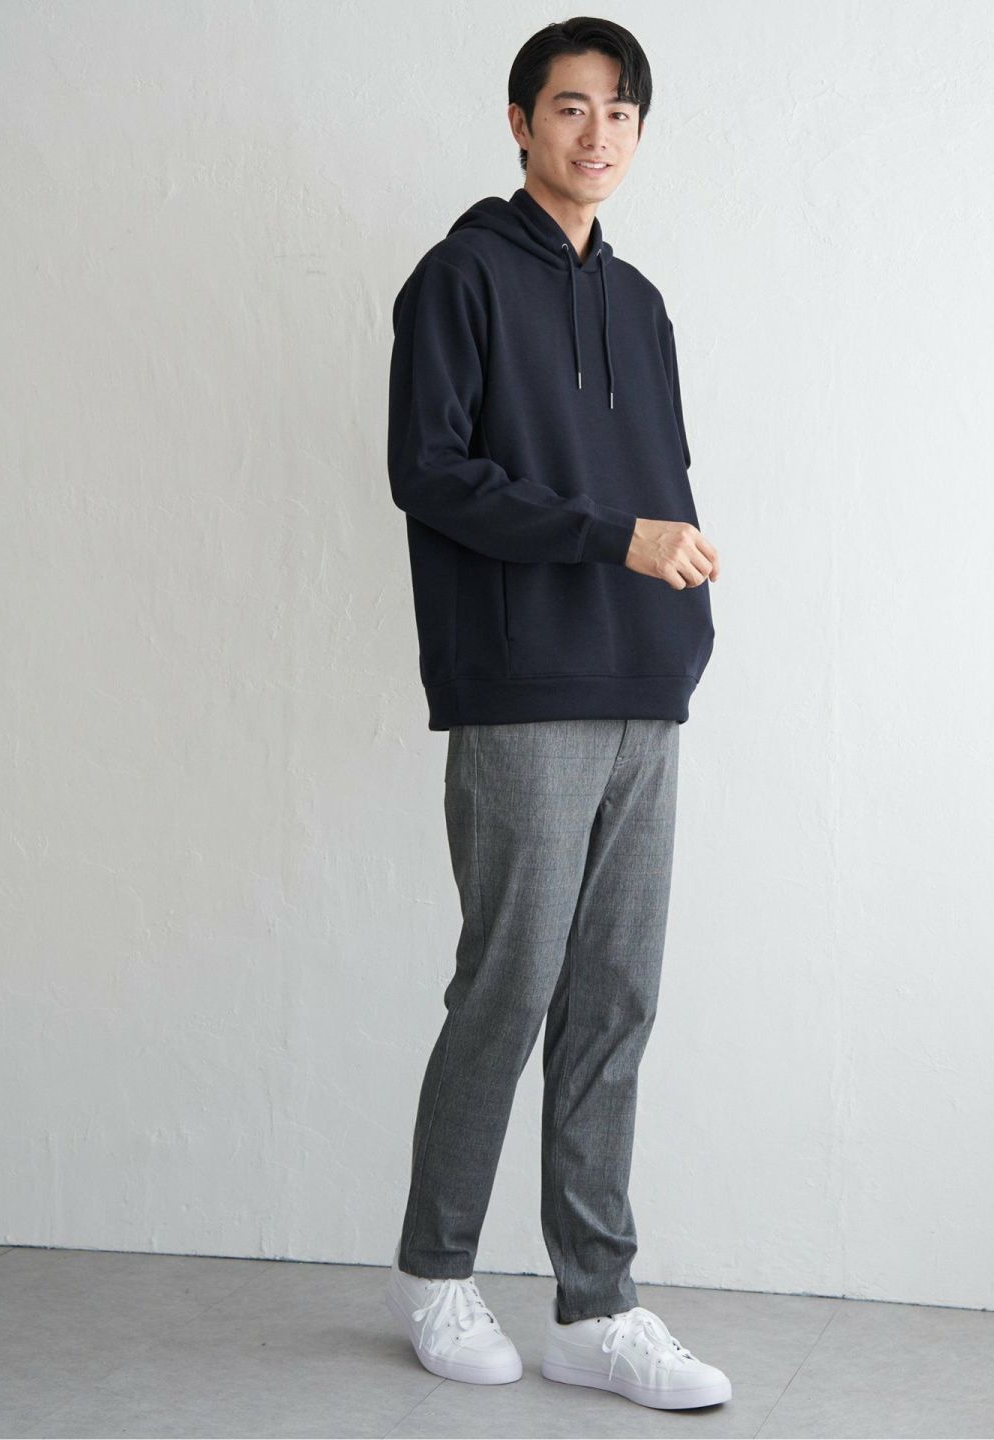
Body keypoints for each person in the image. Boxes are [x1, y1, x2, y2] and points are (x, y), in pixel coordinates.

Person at [382, 16, 729, 1413]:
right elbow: (430, 473)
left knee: (616, 998)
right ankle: (435, 1271)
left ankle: (597, 1305)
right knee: (511, 982)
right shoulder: (458, 277)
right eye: (572, 107)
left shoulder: (640, 303)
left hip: (644, 681)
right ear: (521, 121)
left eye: (620, 112)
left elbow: (664, 475)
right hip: (524, 684)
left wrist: (681, 618)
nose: (598, 134)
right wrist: (612, 539)